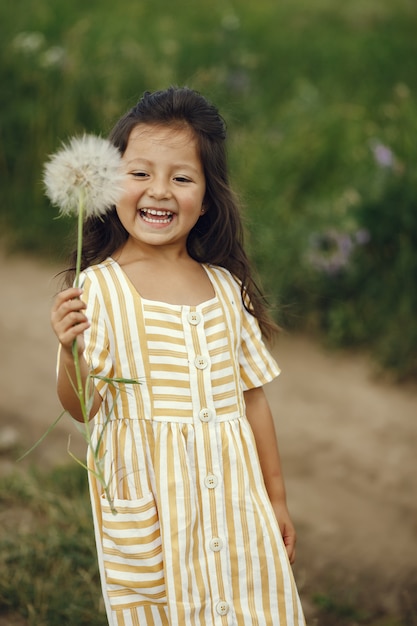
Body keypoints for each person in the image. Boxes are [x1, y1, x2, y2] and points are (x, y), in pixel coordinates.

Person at [51, 86, 305, 626]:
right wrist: (68, 350)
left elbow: (252, 400)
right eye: (140, 173)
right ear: (110, 182)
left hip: (237, 507)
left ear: (209, 197)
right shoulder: (100, 291)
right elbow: (82, 408)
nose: (158, 191)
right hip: (157, 517)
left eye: (182, 177)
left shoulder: (224, 288)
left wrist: (276, 497)